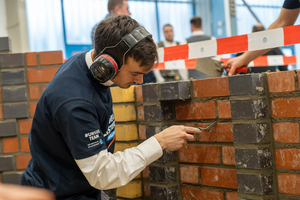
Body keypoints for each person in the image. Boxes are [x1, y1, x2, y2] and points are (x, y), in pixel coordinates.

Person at [20, 16, 200, 200]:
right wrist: (159, 142)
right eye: (134, 73)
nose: (140, 81)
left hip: (79, 185)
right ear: (107, 64)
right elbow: (102, 174)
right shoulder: (75, 102)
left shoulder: (88, 66)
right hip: (57, 194)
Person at [227, 0, 300, 76]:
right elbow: (282, 23)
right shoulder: (274, 49)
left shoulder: (246, 49)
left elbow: (282, 23)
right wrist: (243, 59)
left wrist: (243, 58)